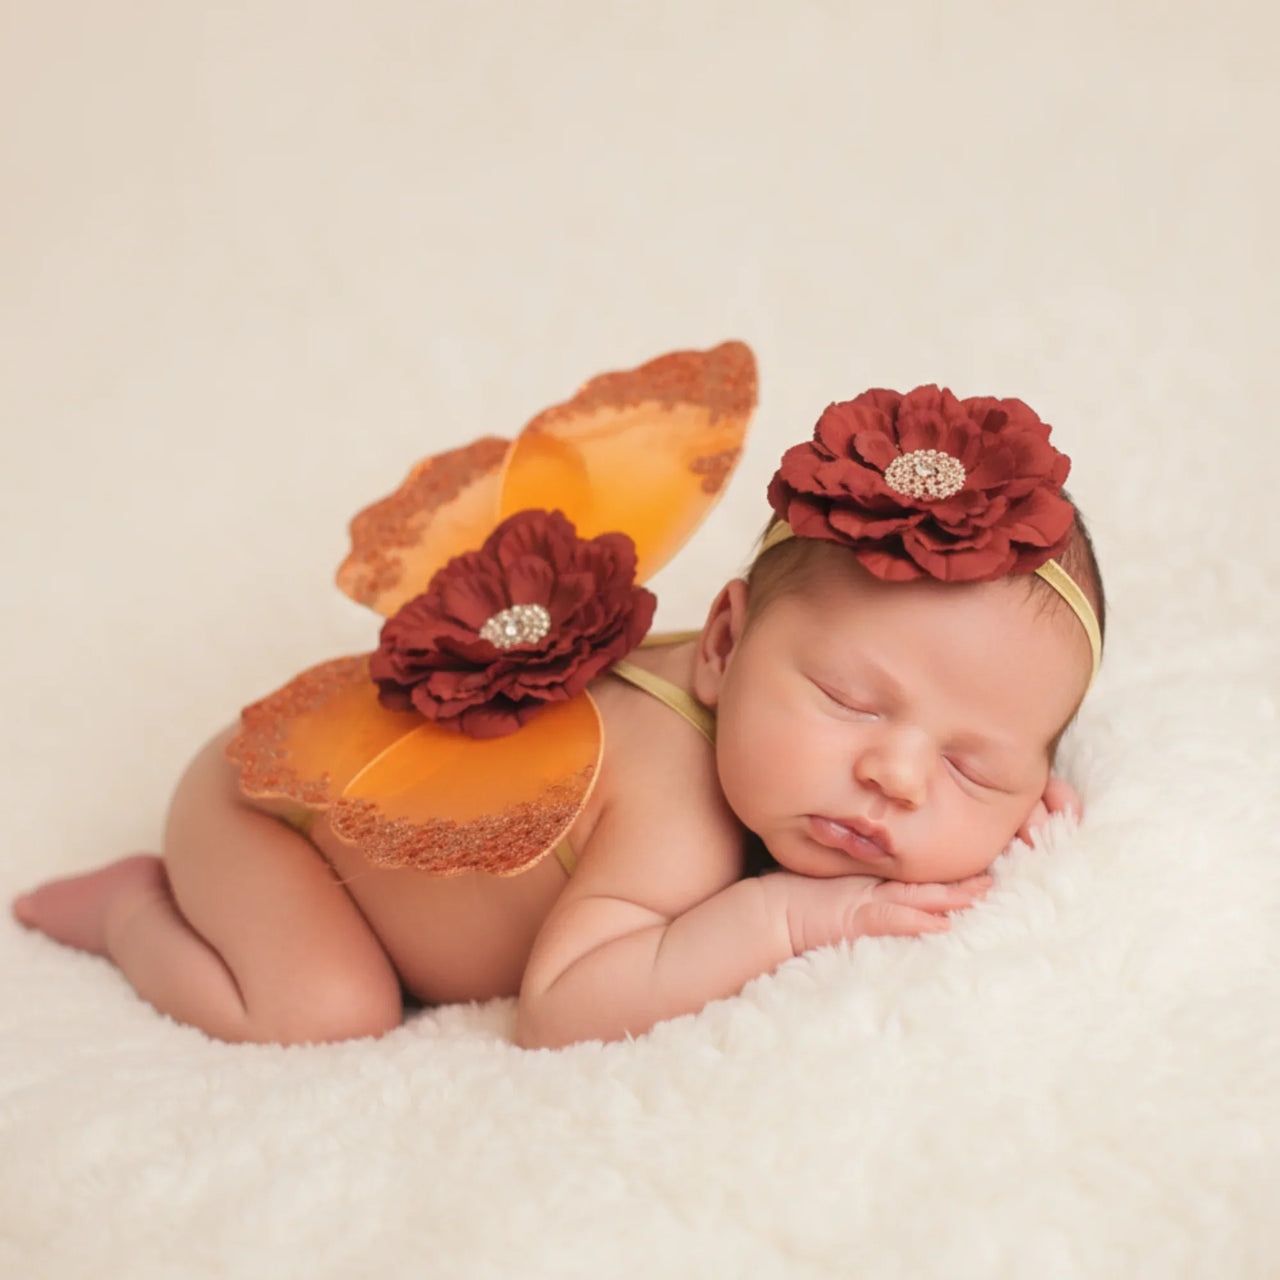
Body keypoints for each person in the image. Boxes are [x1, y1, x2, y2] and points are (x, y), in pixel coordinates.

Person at [11, 343, 1104, 1051]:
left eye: (974, 765)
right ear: (721, 643)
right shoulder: (675, 800)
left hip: (343, 783)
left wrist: (1015, 813)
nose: (896, 774)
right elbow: (563, 1004)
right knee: (325, 1011)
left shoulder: (783, 748)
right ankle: (130, 910)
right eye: (849, 700)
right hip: (267, 812)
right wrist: (790, 913)